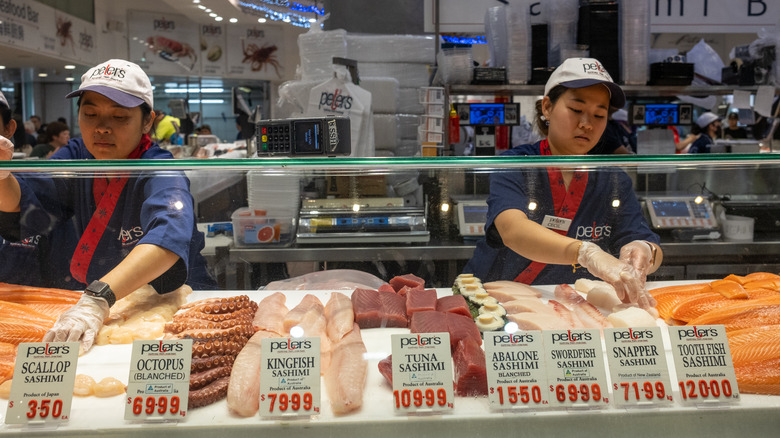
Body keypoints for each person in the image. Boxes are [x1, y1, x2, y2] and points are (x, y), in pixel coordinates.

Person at [0, 59, 216, 352]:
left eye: (119, 117)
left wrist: (95, 300)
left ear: (148, 121)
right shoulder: (76, 157)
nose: (102, 128)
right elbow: (26, 206)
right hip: (100, 312)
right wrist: (3, 175)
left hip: (172, 305)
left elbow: (168, 236)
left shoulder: (159, 169)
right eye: (90, 114)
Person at [463, 58, 662, 310]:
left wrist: (644, 250)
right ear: (547, 107)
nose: (586, 123)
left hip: (573, 306)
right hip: (493, 302)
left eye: (599, 115)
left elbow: (649, 244)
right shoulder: (517, 164)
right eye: (577, 110)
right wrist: (587, 253)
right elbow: (513, 230)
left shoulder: (613, 178)